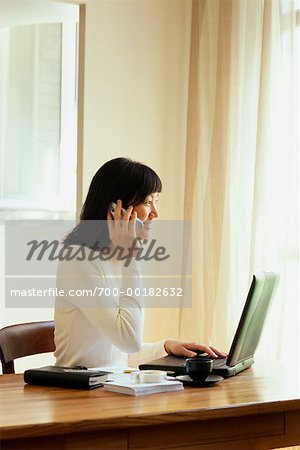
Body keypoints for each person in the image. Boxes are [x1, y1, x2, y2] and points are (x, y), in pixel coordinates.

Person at [54, 157, 226, 368]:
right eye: (147, 202)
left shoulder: (115, 258)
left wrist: (166, 347)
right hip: (77, 393)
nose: (155, 212)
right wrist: (132, 257)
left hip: (109, 386)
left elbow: (119, 352)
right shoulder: (78, 260)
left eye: (156, 201)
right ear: (116, 209)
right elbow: (129, 341)